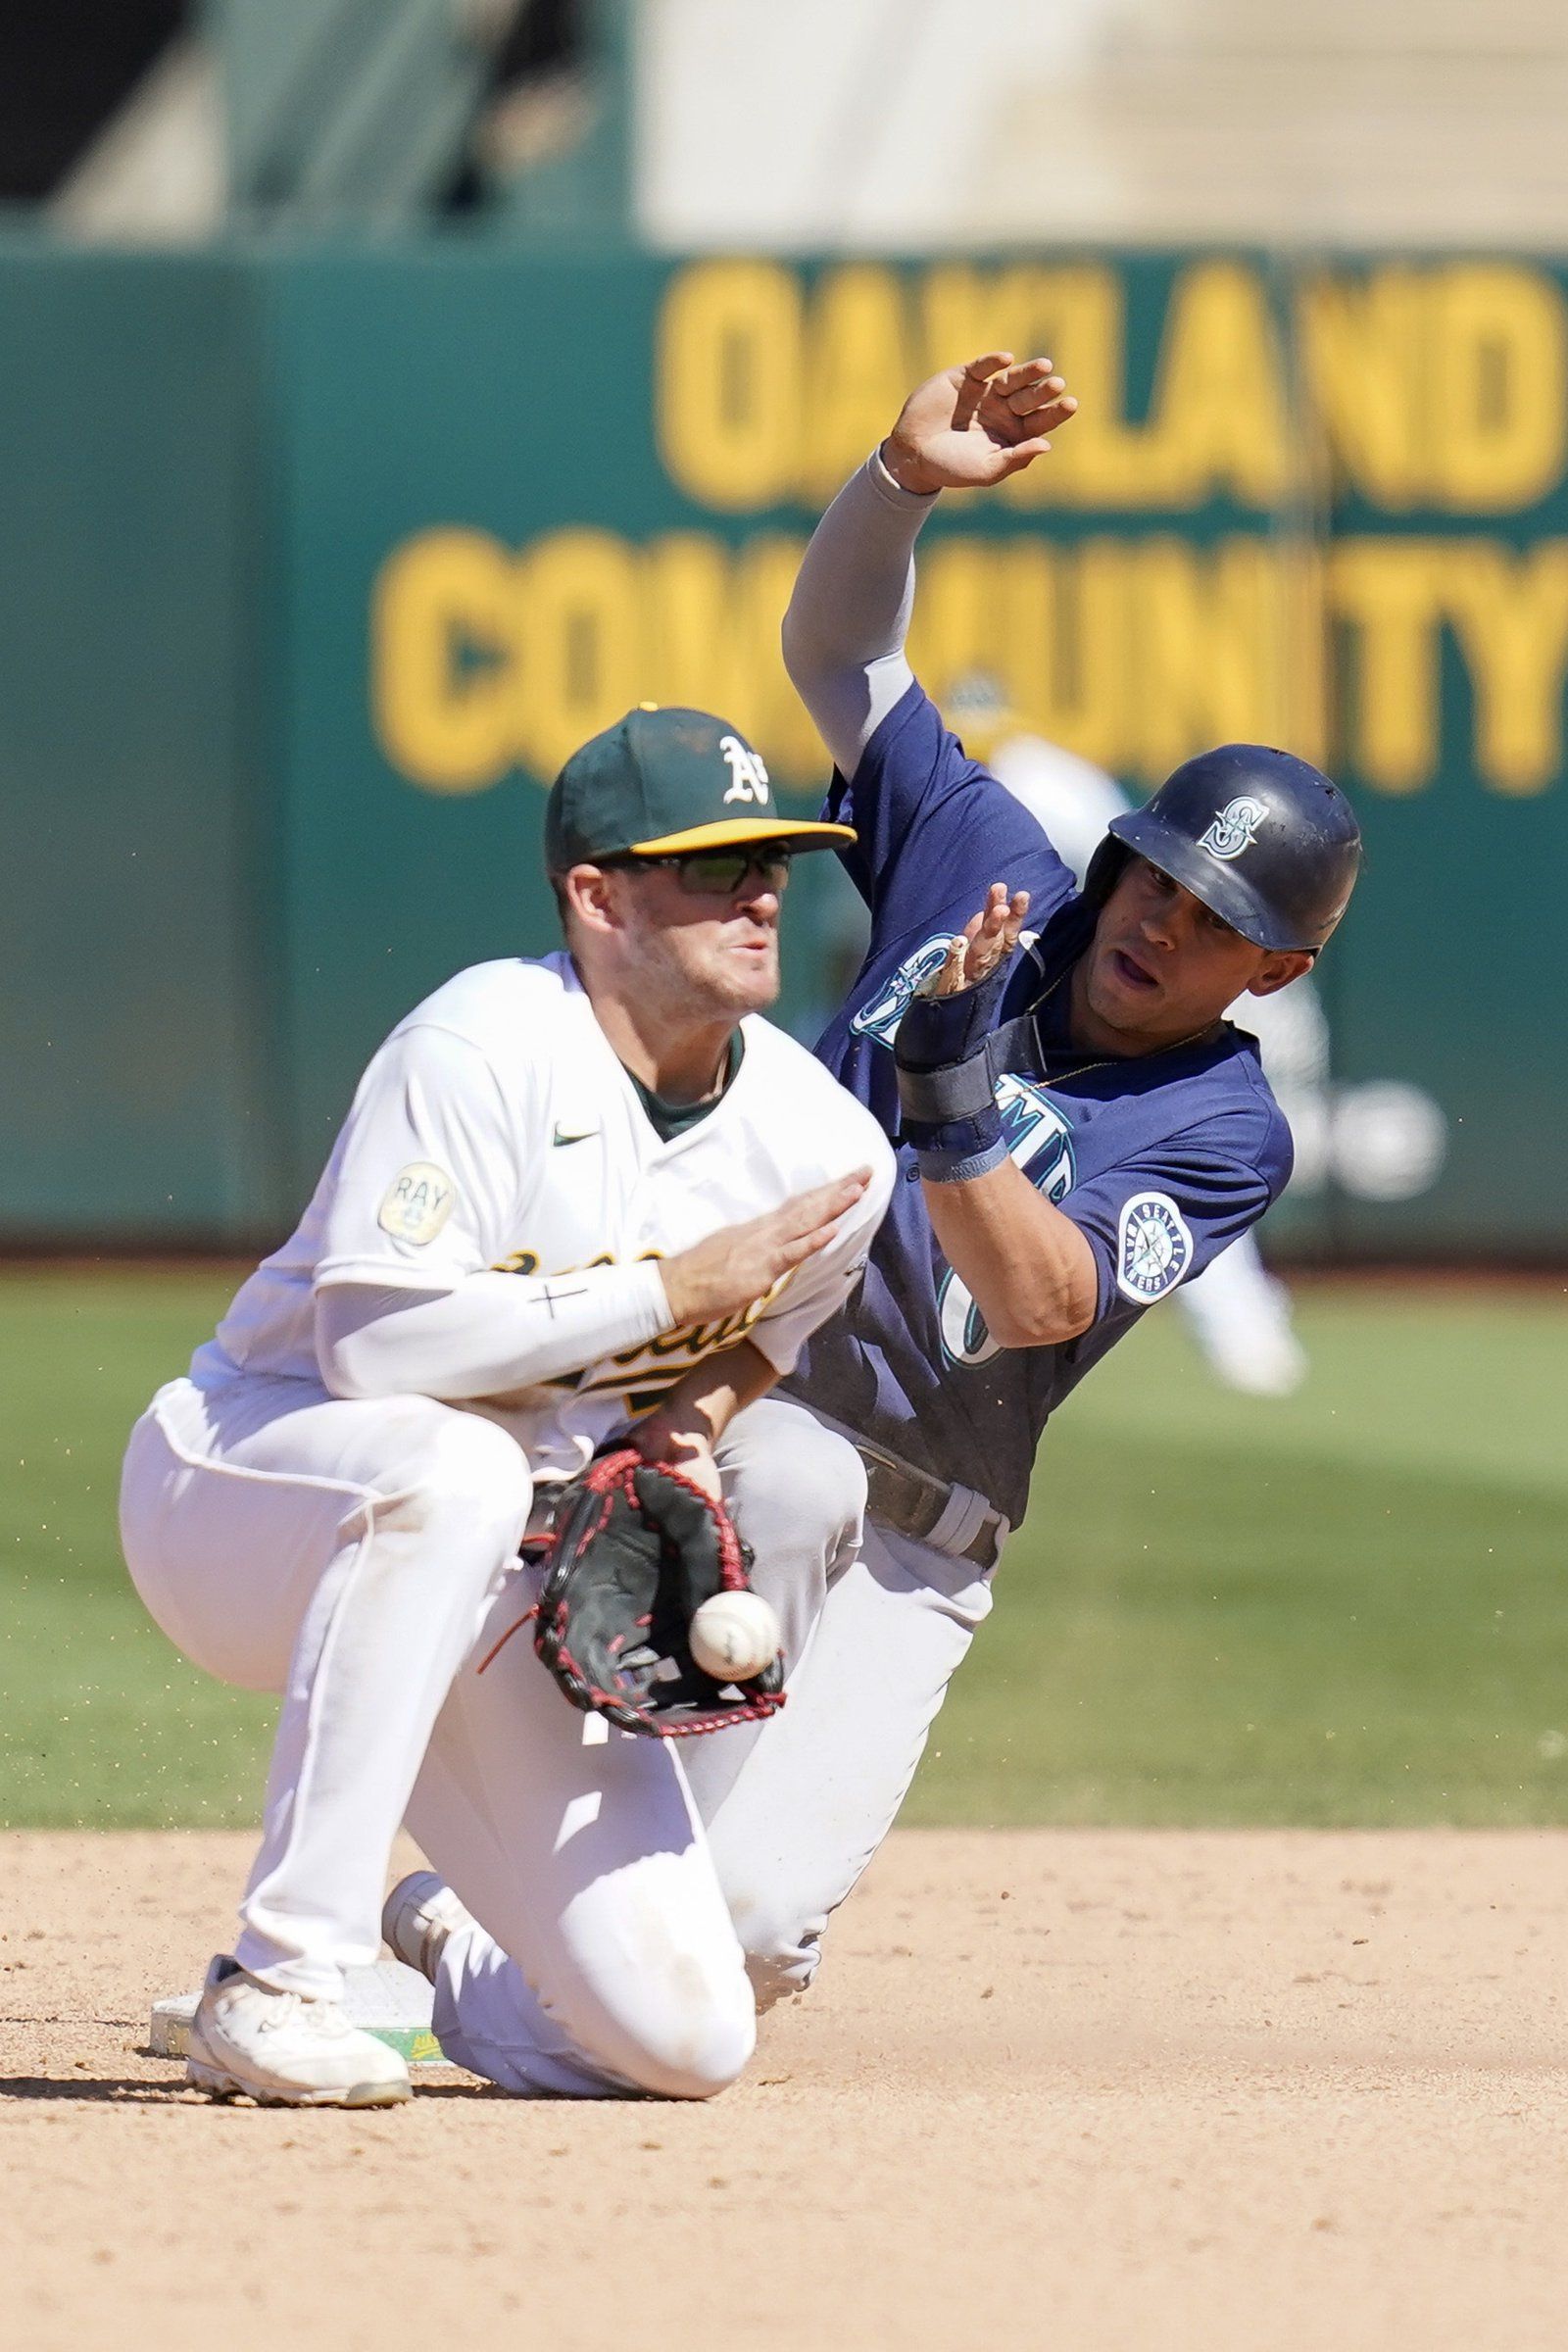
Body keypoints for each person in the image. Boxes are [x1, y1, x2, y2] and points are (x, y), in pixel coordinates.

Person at [677, 354, 1361, 2008]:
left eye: (1217, 925)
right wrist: (899, 482)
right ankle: (497, 1915)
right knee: (780, 1488)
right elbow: (839, 654)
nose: (1161, 925)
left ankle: (511, 1936)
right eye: (1158, 879)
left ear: (1269, 976)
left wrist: (949, 1087)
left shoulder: (1221, 1122)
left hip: (932, 1528)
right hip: (738, 1431)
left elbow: (1038, 1302)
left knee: (750, 1939)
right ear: (1121, 851)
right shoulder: (991, 863)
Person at [119, 704, 894, 2106]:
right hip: (244, 1491)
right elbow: (369, 1350)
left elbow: (774, 1330)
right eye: (712, 865)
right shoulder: (478, 1050)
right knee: (451, 1473)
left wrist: (692, 1425)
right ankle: (279, 1975)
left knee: (685, 2044)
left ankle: (439, 1956)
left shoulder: (823, 1144)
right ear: (597, 896)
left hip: (498, 1579)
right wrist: (664, 1291)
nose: (762, 890)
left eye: (771, 858)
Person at [947, 680, 1327, 1396]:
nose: (976, 736)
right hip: (1144, 969)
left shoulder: (1043, 782)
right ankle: (1248, 1324)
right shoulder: (994, 798)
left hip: (1196, 979)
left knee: (1195, 1145)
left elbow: (1152, 894)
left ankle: (1248, 1331)